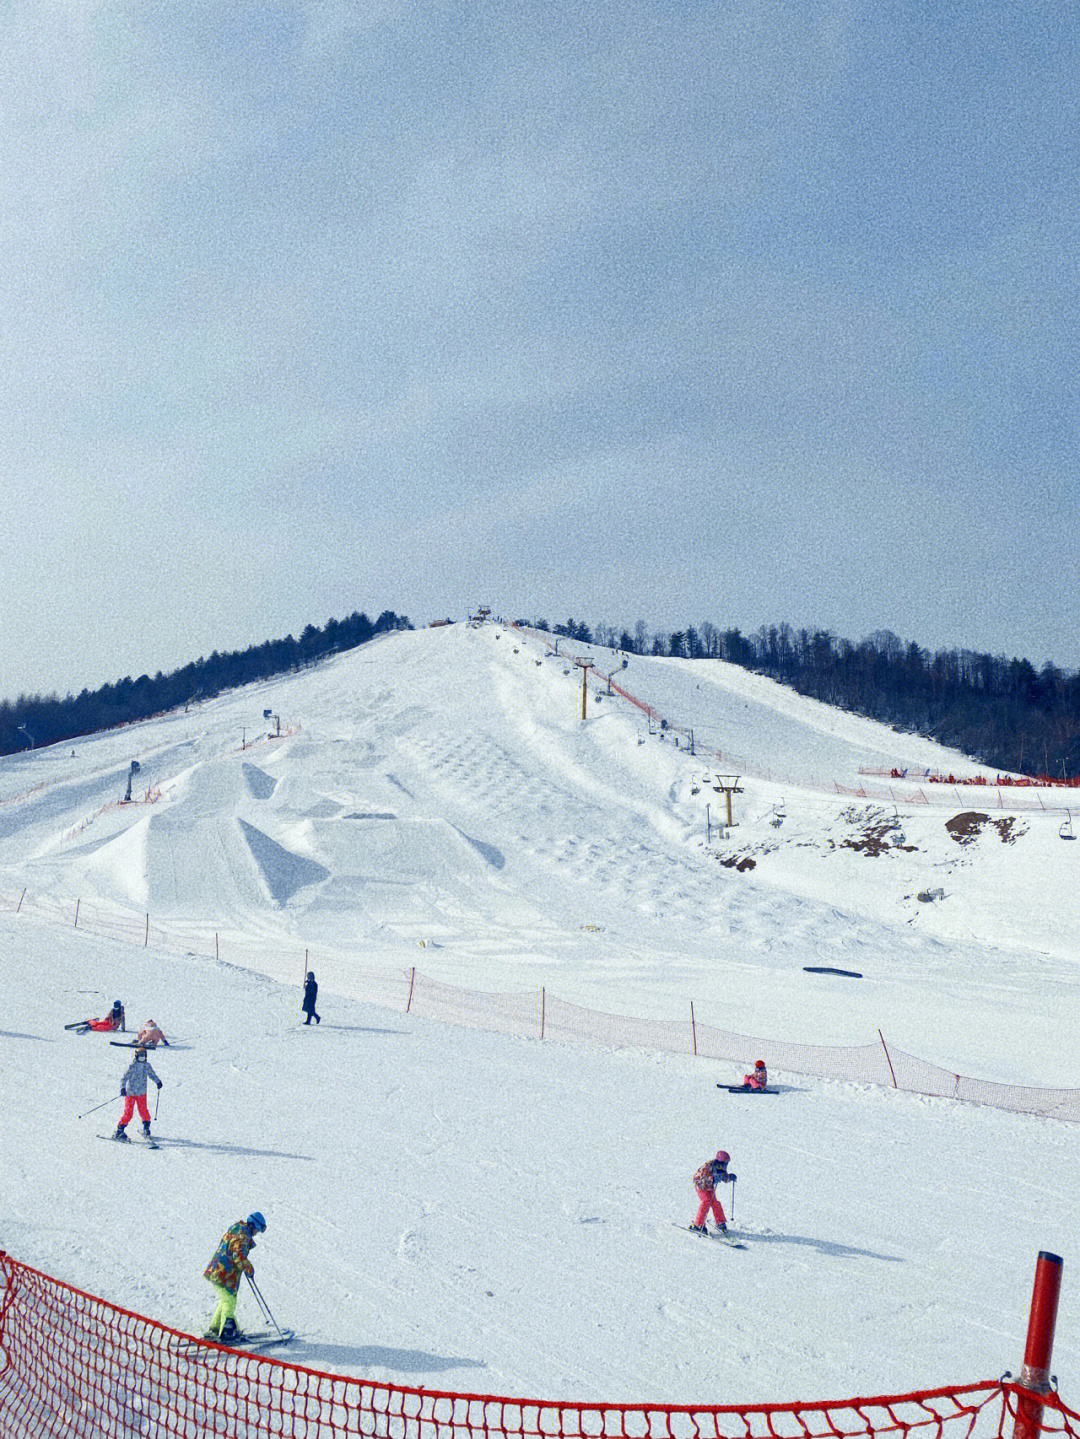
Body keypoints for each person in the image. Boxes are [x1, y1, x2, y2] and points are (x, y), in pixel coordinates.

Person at [204, 1212, 267, 1341]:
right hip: (224, 1273)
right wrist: (248, 1268)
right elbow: (238, 1255)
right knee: (229, 1301)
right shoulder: (243, 1236)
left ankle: (216, 1327)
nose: (256, 1233)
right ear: (252, 1225)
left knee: (226, 1299)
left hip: (218, 1270)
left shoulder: (237, 1228)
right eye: (257, 1230)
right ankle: (227, 1331)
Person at [113, 1047, 162, 1142]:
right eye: (140, 1056)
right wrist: (122, 1088)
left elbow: (152, 1074)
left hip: (141, 1093)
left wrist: (158, 1081)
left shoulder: (146, 1066)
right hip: (131, 1093)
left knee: (144, 1111)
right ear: (136, 1056)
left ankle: (146, 1128)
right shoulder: (132, 1066)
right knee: (129, 1112)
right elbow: (124, 1078)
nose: (142, 1058)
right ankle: (120, 1130)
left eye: (144, 1056)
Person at [690, 1149, 737, 1235]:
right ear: (720, 1161)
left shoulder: (721, 1168)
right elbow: (702, 1178)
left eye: (727, 1163)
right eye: (725, 1163)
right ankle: (698, 1225)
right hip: (701, 1186)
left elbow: (724, 1177)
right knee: (706, 1202)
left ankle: (720, 1222)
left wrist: (730, 1177)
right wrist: (713, 1179)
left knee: (715, 1203)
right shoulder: (708, 1167)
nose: (726, 1165)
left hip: (710, 1187)